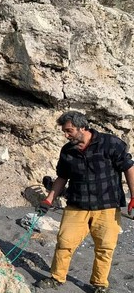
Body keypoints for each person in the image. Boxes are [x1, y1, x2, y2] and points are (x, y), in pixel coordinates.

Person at [35, 111, 134, 293]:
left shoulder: (110, 143)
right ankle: (56, 278)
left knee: (105, 248)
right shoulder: (67, 151)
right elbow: (62, 177)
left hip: (107, 206)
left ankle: (100, 285)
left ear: (82, 127)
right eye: (64, 131)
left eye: (69, 130)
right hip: (76, 205)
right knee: (64, 243)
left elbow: (129, 167)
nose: (66, 135)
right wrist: (48, 200)